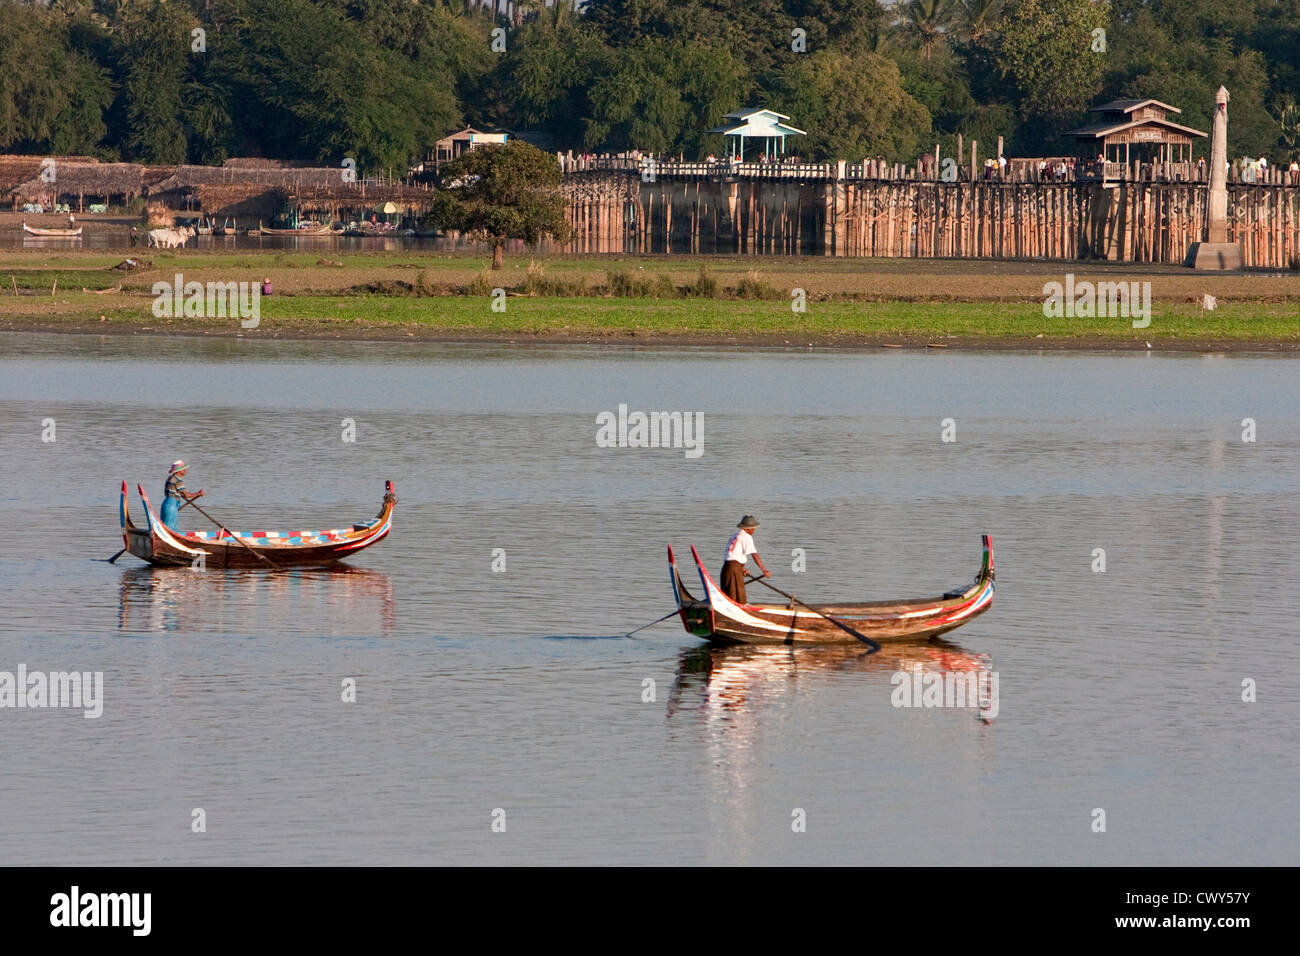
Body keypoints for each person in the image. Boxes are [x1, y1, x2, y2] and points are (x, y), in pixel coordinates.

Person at [720, 515, 770, 604]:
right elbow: (754, 554)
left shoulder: (734, 536)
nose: (754, 531)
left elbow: (731, 556)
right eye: (753, 529)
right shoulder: (746, 536)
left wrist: (742, 569)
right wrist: (764, 570)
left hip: (726, 568)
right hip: (734, 570)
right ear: (748, 529)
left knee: (728, 596)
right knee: (738, 599)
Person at [161, 460, 203, 530]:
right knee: (170, 529)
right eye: (184, 469)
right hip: (171, 505)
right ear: (179, 471)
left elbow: (180, 493)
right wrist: (198, 493)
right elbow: (186, 495)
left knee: (165, 527)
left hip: (166, 503)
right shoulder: (178, 480)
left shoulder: (170, 478)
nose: (185, 470)